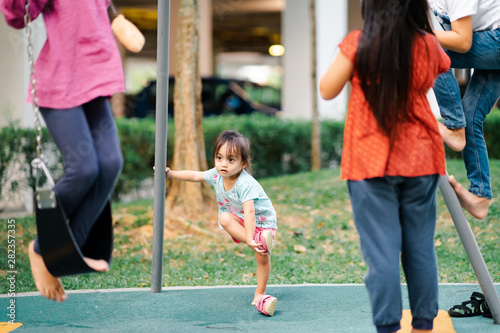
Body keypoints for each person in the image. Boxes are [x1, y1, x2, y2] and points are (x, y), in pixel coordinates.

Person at [319, 0, 449, 332]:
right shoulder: (427, 44)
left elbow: (327, 90)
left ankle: (388, 326)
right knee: (420, 247)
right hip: (420, 158)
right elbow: (443, 65)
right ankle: (423, 324)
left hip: (369, 160)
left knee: (382, 254)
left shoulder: (358, 43)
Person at [1, 0, 124, 302]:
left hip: (95, 76)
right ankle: (41, 248)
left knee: (110, 163)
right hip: (61, 78)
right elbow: (15, 15)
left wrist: (119, 20)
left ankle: (72, 246)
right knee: (84, 169)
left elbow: (104, 10)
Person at [164, 130, 278, 316]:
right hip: (239, 218)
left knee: (262, 258)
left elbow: (250, 212)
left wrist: (250, 238)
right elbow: (195, 176)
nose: (223, 164)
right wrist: (170, 174)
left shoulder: (245, 184)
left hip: (263, 222)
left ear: (243, 163)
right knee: (224, 217)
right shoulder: (216, 175)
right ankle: (257, 241)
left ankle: (260, 294)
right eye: (219, 157)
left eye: (231, 160)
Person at [428, 0, 500, 220]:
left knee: (428, 50)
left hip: (496, 40)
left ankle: (453, 126)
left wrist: (420, 37)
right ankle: (480, 197)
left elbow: (463, 41)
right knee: (470, 116)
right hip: (490, 39)